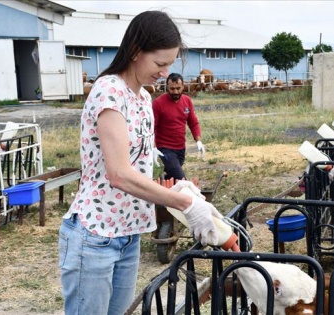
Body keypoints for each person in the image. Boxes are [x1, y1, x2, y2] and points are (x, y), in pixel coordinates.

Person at [58, 11, 223, 315]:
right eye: (160, 64)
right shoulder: (109, 92)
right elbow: (119, 174)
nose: (165, 73)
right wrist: (184, 204)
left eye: (170, 64)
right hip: (96, 235)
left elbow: (137, 167)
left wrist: (176, 187)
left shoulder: (143, 98)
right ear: (135, 52)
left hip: (129, 233)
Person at [153, 73, 205, 180]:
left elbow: (193, 122)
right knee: (180, 178)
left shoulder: (187, 101)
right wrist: (153, 147)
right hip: (165, 148)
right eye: (172, 89)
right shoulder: (158, 103)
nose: (175, 92)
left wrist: (198, 141)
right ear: (167, 87)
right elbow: (151, 128)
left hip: (180, 147)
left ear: (183, 86)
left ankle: (162, 190)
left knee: (171, 175)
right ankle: (187, 194)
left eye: (178, 88)